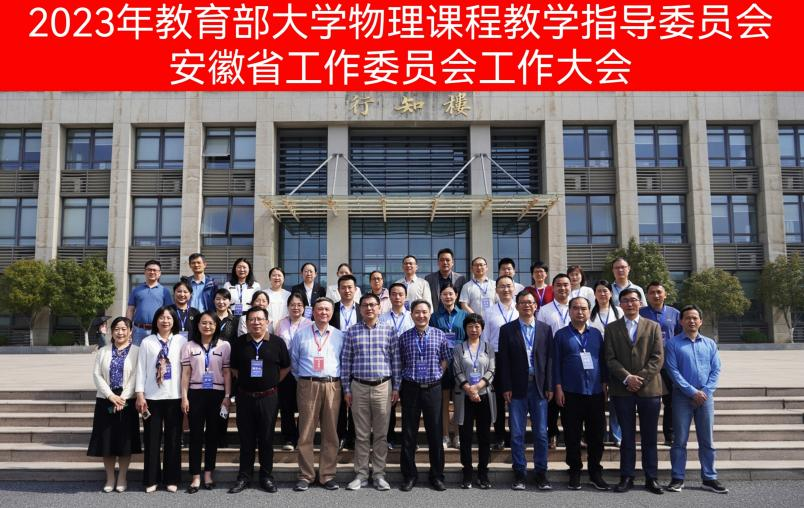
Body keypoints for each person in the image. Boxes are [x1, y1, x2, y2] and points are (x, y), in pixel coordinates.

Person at [604, 287, 665, 495]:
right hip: (622, 390)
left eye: (633, 300)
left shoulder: (653, 326)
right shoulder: (611, 328)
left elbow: (658, 357)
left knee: (649, 436)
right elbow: (609, 358)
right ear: (620, 304)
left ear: (640, 303)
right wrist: (627, 377)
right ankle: (627, 476)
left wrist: (640, 378)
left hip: (649, 389)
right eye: (625, 301)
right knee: (627, 437)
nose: (630, 304)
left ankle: (651, 477)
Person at [665, 305, 727, 494]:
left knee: (707, 440)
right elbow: (672, 371)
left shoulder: (710, 344)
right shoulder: (673, 344)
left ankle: (709, 478)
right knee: (679, 440)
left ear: (701, 321)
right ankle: (677, 478)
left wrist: (705, 391)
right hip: (682, 398)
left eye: (695, 318)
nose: (691, 321)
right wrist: (692, 392)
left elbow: (716, 370)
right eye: (687, 318)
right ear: (681, 321)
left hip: (706, 398)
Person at [228, 307, 291, 494]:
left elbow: (286, 367)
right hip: (245, 397)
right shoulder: (239, 343)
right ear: (246, 323)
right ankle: (244, 477)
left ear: (267, 322)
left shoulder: (277, 343)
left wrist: (271, 382)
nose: (256, 323)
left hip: (268, 398)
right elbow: (234, 369)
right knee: (246, 439)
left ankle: (266, 476)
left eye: (260, 319)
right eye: (252, 319)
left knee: (266, 439)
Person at [339, 293, 399, 492]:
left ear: (379, 308)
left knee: (381, 435)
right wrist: (346, 389)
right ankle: (361, 474)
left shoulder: (389, 331)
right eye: (365, 305)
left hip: (383, 387)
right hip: (359, 387)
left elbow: (396, 361)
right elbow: (346, 361)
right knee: (362, 434)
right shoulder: (352, 331)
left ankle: (379, 474)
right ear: (360, 308)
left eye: (373, 305)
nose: (369, 308)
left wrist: (396, 387)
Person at [497, 290, 553, 491]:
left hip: (539, 388)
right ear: (517, 305)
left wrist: (549, 385)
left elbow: (549, 359)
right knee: (517, 433)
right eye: (523, 302)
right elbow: (503, 361)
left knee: (541, 433)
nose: (527, 305)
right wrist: (506, 386)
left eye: (530, 302)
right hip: (517, 388)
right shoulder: (507, 330)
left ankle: (541, 473)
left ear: (536, 306)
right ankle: (519, 472)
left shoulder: (545, 329)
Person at [553, 297, 610, 491]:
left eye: (584, 308)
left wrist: (605, 383)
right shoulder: (561, 335)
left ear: (589, 311)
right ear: (569, 311)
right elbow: (555, 364)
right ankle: (575, 471)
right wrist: (558, 387)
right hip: (571, 392)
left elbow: (603, 360)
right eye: (576, 308)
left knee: (596, 435)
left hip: (595, 391)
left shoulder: (596, 334)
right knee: (572, 434)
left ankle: (595, 472)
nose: (580, 312)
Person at [290, 297, 344, 492]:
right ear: (313, 312)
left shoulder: (339, 335)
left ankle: (327, 475)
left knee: (331, 433)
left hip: (332, 385)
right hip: (308, 384)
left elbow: (343, 361)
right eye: (320, 309)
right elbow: (294, 362)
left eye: (327, 309)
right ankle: (306, 475)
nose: (323, 312)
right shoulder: (301, 334)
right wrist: (306, 380)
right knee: (305, 432)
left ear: (332, 313)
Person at [397, 299, 450, 492]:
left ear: (429, 314)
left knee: (435, 433)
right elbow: (400, 362)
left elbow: (445, 359)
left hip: (432, 389)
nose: (421, 315)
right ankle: (409, 475)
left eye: (424, 312)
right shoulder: (404, 337)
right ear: (411, 315)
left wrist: (437, 374)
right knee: (409, 433)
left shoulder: (440, 335)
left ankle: (437, 476)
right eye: (417, 312)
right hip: (410, 388)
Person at [135, 306, 187, 493]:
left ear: (174, 321)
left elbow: (185, 371)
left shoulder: (181, 341)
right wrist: (140, 394)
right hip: (152, 398)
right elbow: (141, 369)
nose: (165, 321)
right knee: (152, 440)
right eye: (162, 318)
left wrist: (185, 396)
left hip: (174, 396)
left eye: (169, 318)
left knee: (173, 440)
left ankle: (172, 479)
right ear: (156, 321)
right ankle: (151, 479)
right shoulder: (147, 342)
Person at [180, 311, 232, 493]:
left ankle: (208, 474)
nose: (207, 326)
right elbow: (186, 374)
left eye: (211, 323)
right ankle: (195, 476)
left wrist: (227, 396)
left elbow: (227, 373)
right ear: (198, 325)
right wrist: (184, 397)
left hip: (217, 394)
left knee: (212, 436)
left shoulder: (224, 346)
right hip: (196, 394)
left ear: (216, 326)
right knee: (195, 436)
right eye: (203, 323)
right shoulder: (188, 346)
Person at [88, 316, 141, 493]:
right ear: (111, 331)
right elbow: (97, 375)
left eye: (124, 329)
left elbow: (136, 376)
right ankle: (110, 477)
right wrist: (111, 395)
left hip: (127, 400)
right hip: (105, 400)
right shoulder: (103, 351)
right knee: (107, 441)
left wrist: (122, 398)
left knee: (125, 442)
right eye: (117, 329)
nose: (120, 332)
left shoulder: (137, 351)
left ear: (130, 331)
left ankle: (122, 476)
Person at [452, 313, 496, 489]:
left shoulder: (488, 347)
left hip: (484, 396)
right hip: (465, 397)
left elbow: (492, 370)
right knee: (465, 437)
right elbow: (456, 371)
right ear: (465, 328)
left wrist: (477, 387)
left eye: (477, 326)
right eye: (470, 326)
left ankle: (483, 473)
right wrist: (469, 389)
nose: (474, 329)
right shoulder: (459, 348)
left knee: (484, 437)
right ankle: (467, 473)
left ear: (482, 329)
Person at [640, 281, 683, 446]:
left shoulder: (675, 314)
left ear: (665, 294)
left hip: (668, 365)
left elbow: (680, 337)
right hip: (647, 365)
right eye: (652, 292)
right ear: (647, 295)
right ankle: (647, 435)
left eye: (659, 292)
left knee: (670, 402)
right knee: (649, 402)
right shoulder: (641, 313)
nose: (656, 295)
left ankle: (669, 435)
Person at [482, 276, 518, 451]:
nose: (506, 290)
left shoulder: (520, 309)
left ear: (514, 289)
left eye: (509, 286)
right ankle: (499, 436)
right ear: (496, 290)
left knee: (515, 399)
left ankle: (515, 435)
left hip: (517, 358)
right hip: (496, 357)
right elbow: (485, 339)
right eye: (502, 286)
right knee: (496, 399)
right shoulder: (489, 312)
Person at [273, 292, 313, 451]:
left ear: (304, 307)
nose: (296, 307)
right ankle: (289, 438)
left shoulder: (310, 324)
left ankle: (302, 436)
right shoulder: (281, 323)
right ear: (288, 306)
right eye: (292, 305)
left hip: (304, 370)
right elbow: (276, 345)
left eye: (299, 305)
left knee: (304, 406)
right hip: (285, 370)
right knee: (286, 406)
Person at [429, 283, 467, 449]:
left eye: (451, 294)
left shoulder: (464, 315)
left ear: (456, 296)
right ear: (440, 296)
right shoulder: (434, 317)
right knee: (443, 401)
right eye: (444, 294)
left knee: (458, 401)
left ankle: (457, 435)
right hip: (442, 362)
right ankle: (445, 435)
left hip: (460, 361)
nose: (448, 297)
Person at [537, 273, 572, 449]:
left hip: (572, 358)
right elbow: (540, 335)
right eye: (559, 285)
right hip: (551, 357)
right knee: (551, 399)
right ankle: (552, 434)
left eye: (566, 284)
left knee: (572, 400)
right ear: (553, 287)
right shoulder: (545, 310)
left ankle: (573, 435)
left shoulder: (577, 306)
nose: (562, 288)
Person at [380, 282, 415, 449]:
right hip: (389, 365)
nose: (397, 297)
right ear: (389, 296)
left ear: (405, 296)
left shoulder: (412, 317)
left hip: (409, 365)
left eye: (400, 294)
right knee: (390, 405)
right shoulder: (382, 317)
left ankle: (410, 439)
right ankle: (390, 437)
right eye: (393, 294)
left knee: (410, 405)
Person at [588, 280, 622, 446]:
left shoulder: (619, 312)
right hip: (595, 360)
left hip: (617, 359)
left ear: (611, 293)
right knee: (597, 400)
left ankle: (616, 435)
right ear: (594, 294)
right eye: (599, 291)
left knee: (616, 399)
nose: (602, 294)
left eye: (605, 291)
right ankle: (599, 434)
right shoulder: (589, 314)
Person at [330, 274, 361, 450]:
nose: (347, 290)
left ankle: (354, 436)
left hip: (357, 360)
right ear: (338, 290)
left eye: (350, 287)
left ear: (355, 289)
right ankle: (341, 435)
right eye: (343, 287)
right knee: (340, 401)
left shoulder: (362, 309)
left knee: (356, 400)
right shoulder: (331, 309)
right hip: (335, 358)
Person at [127, 259, 173, 345]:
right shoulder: (136, 290)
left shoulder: (165, 291)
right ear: (145, 272)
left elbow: (169, 311)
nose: (152, 272)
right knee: (136, 352)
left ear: (159, 273)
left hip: (157, 330)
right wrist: (128, 327)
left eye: (155, 270)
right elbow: (130, 309)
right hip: (138, 330)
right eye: (149, 270)